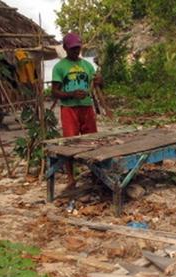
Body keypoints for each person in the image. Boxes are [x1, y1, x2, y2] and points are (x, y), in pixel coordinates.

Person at [51, 32, 103, 189]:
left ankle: (96, 174)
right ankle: (71, 178)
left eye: (78, 48)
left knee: (92, 141)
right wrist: (71, 94)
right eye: (72, 48)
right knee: (70, 143)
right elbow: (54, 92)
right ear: (65, 48)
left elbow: (98, 86)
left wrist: (101, 81)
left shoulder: (87, 66)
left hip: (87, 108)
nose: (75, 51)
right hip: (69, 109)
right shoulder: (59, 67)